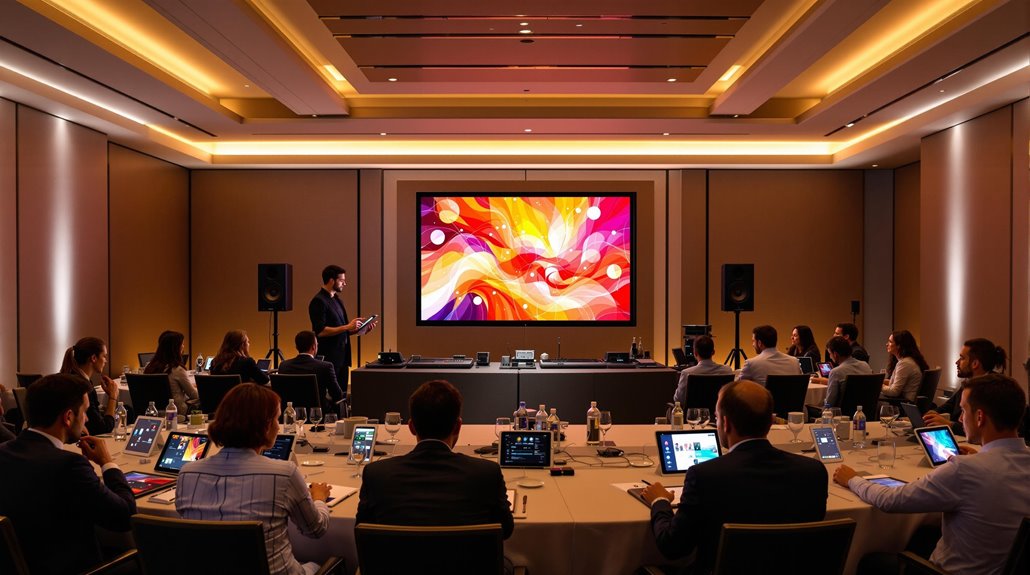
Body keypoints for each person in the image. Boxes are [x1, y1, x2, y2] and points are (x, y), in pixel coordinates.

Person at [834, 374, 1030, 575]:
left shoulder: (965, 470)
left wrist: (852, 479)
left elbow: (891, 500)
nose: (960, 419)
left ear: (980, 417)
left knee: (871, 562)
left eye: (963, 410)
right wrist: (980, 456)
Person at [641, 380, 828, 573]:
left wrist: (660, 501)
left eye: (717, 417)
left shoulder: (705, 476)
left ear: (726, 423)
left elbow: (672, 547)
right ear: (771, 422)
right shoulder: (814, 472)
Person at [176, 383, 331, 575]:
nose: (279, 426)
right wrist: (319, 499)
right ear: (266, 426)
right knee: (319, 565)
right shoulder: (284, 473)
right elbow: (315, 530)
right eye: (277, 419)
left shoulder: (187, 473)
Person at [0, 374, 136, 574]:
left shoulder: (3, 450)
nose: (87, 418)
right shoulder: (69, 465)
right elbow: (124, 517)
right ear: (68, 417)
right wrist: (107, 463)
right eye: (85, 411)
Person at [356, 380, 514, 539]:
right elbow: (505, 529)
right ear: (458, 426)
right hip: (466, 564)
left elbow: (363, 533)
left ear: (411, 427)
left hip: (396, 564)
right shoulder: (487, 473)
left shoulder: (376, 474)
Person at [308, 265, 374, 398]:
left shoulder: (337, 299)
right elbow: (320, 331)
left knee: (341, 396)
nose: (345, 283)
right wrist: (347, 327)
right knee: (331, 396)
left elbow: (343, 330)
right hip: (329, 359)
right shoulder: (318, 301)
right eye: (341, 280)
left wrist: (358, 330)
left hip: (343, 359)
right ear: (331, 280)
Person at [925, 338, 1007, 435]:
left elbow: (981, 429)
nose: (957, 362)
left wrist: (950, 425)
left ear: (975, 364)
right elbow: (948, 406)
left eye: (962, 358)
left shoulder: (993, 389)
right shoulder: (969, 383)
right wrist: (931, 415)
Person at [60, 336, 120, 435]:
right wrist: (113, 397)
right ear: (93, 358)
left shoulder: (72, 377)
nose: (106, 361)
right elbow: (102, 428)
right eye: (104, 356)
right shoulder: (82, 387)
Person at [277, 330, 345, 415]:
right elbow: (337, 395)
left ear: (296, 347)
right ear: (314, 347)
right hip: (317, 416)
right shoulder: (325, 366)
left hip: (291, 415)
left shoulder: (284, 366)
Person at [144, 329, 199, 415]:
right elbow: (194, 395)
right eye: (182, 344)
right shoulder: (177, 369)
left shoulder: (150, 367)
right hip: (177, 412)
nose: (183, 347)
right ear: (175, 348)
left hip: (153, 411)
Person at [673, 335, 733, 406]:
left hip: (692, 415)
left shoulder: (686, 373)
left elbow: (678, 399)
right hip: (717, 415)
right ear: (713, 352)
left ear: (695, 353)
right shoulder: (727, 370)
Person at [736, 325, 802, 386]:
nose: (752, 344)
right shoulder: (795, 362)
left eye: (753, 341)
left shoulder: (751, 363)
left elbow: (737, 386)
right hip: (791, 399)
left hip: (765, 399)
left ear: (759, 343)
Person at [819, 335, 873, 407]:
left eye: (830, 353)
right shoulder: (865, 365)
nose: (830, 357)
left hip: (841, 416)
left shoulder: (836, 372)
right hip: (866, 413)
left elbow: (830, 403)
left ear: (835, 354)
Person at [882, 330, 929, 402]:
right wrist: (880, 381)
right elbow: (897, 383)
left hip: (905, 404)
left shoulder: (905, 363)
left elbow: (894, 392)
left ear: (899, 346)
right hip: (907, 402)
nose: (887, 344)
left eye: (890, 342)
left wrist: (877, 385)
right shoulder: (909, 360)